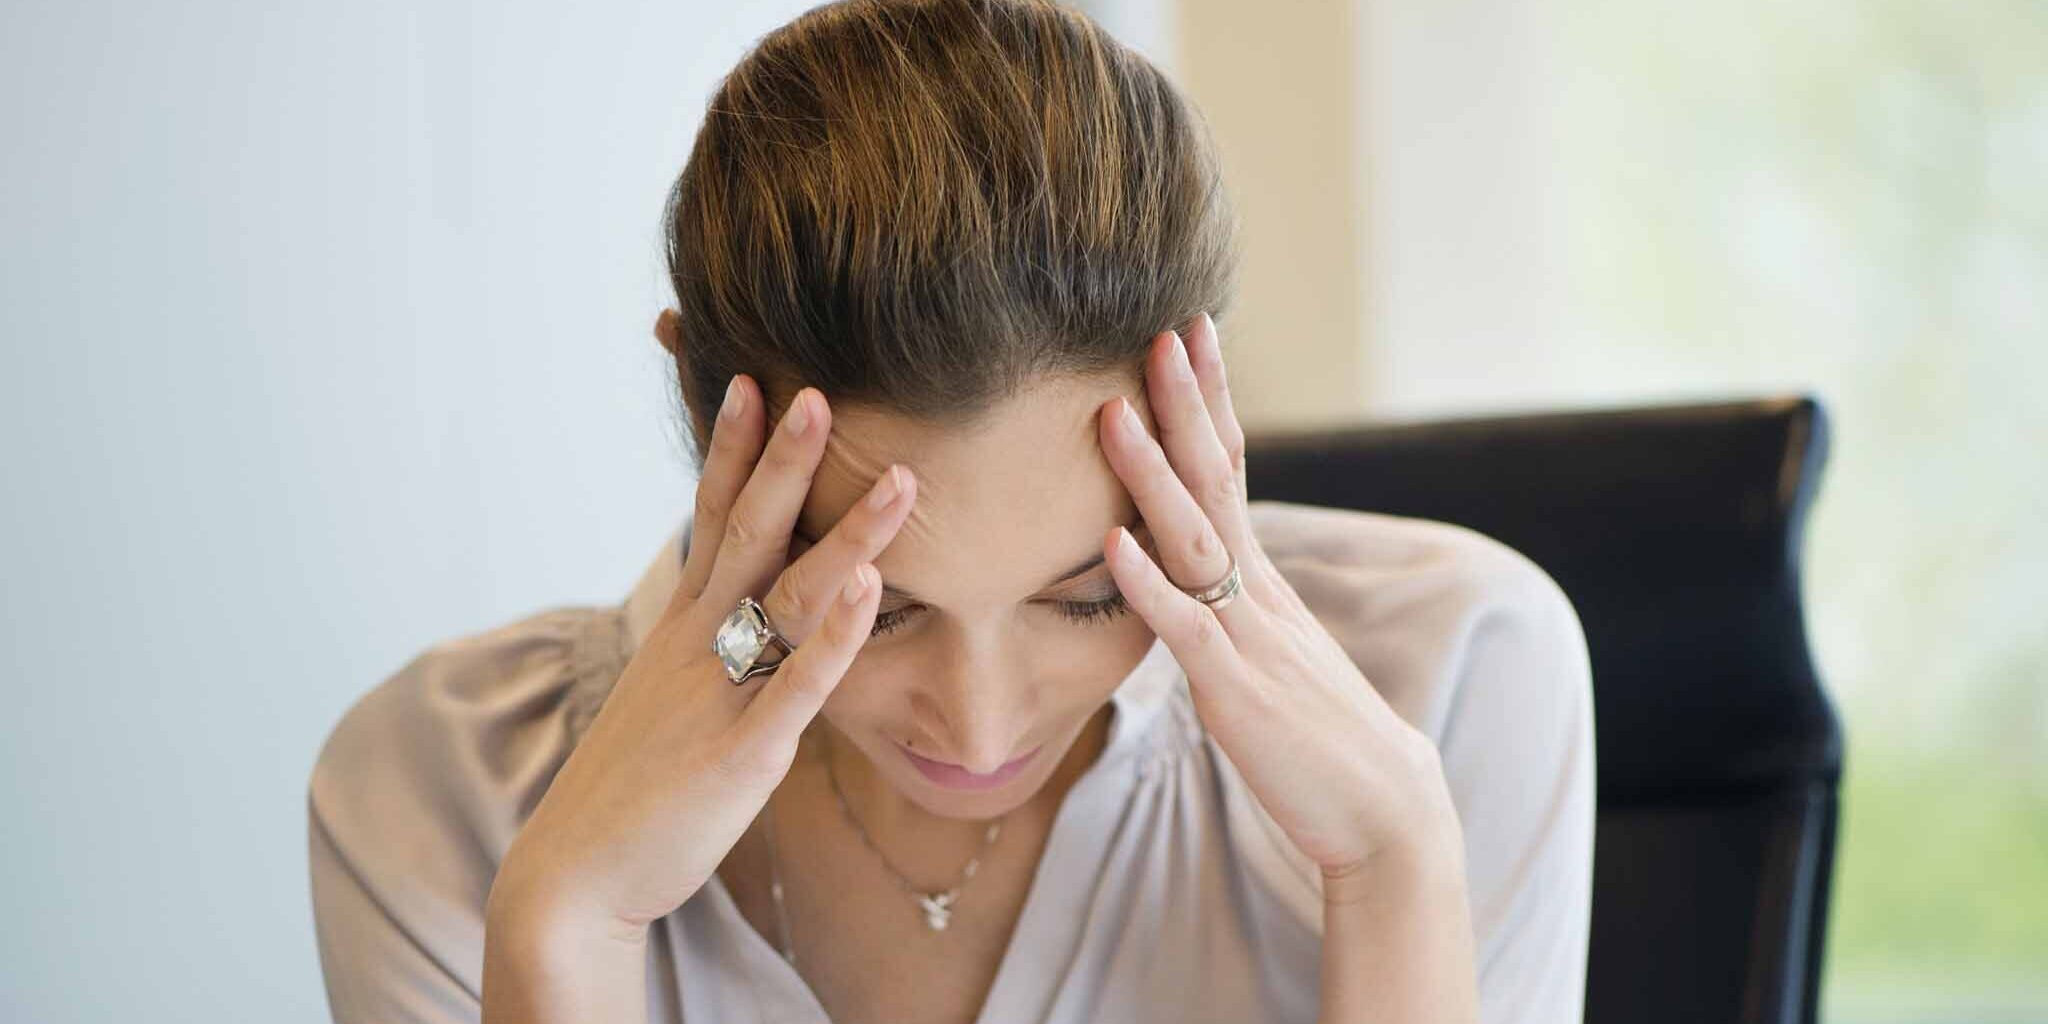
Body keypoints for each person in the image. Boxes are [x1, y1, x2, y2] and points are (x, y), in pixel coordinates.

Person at [305, 1, 1595, 1022]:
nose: (978, 727)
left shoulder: (1452, 672)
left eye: (1088, 594)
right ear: (715, 427)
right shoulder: (449, 788)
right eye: (880, 609)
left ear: (1201, 408)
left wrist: (1396, 864)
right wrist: (566, 928)